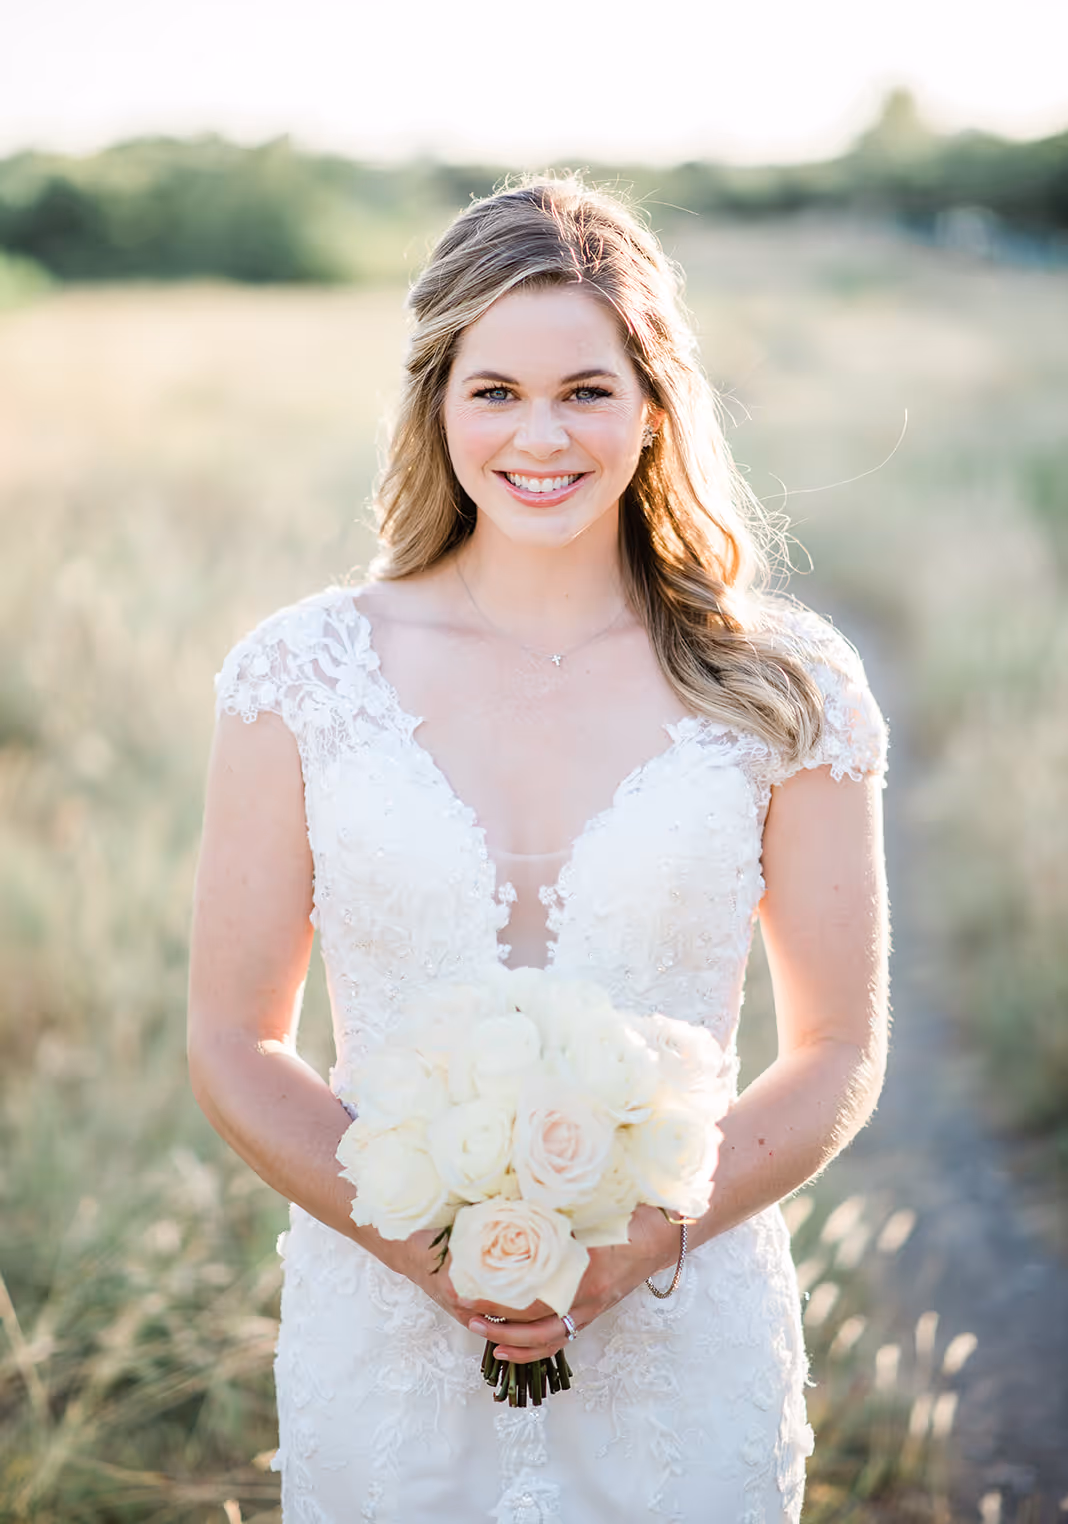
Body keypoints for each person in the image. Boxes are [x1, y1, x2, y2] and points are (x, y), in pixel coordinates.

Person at [188, 175, 890, 1524]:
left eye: (587, 389)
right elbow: (232, 1040)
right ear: (435, 403)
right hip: (385, 1336)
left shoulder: (786, 685)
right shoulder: (300, 676)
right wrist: (433, 1253)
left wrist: (637, 1249)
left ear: (654, 404)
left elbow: (837, 1052)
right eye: (494, 391)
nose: (541, 437)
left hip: (683, 1332)